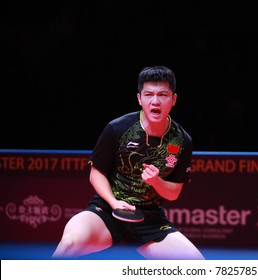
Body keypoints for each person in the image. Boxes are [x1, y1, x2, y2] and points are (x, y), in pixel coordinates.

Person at [52, 65, 205, 260]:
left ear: (173, 99)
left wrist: (156, 182)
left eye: (163, 95)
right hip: (106, 211)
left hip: (149, 219)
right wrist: (115, 203)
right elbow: (96, 173)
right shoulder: (118, 128)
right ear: (139, 99)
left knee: (197, 264)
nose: (155, 101)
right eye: (148, 94)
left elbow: (174, 192)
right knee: (69, 245)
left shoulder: (182, 140)